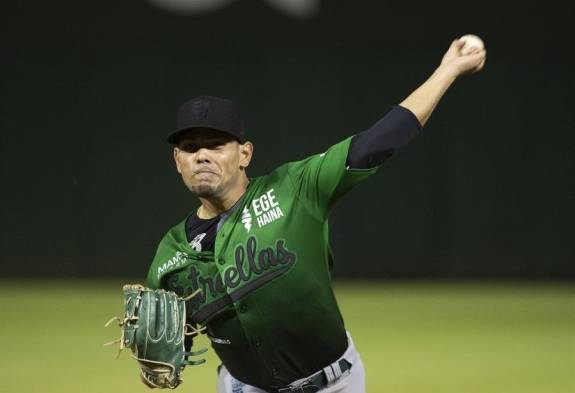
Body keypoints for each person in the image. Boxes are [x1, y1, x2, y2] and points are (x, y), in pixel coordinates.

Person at [145, 38, 486, 393]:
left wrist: (448, 70)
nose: (202, 155)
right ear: (177, 161)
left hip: (333, 384)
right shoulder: (170, 257)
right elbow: (166, 352)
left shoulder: (295, 188)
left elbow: (380, 141)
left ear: (244, 154)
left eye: (216, 145)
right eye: (190, 148)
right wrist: (156, 360)